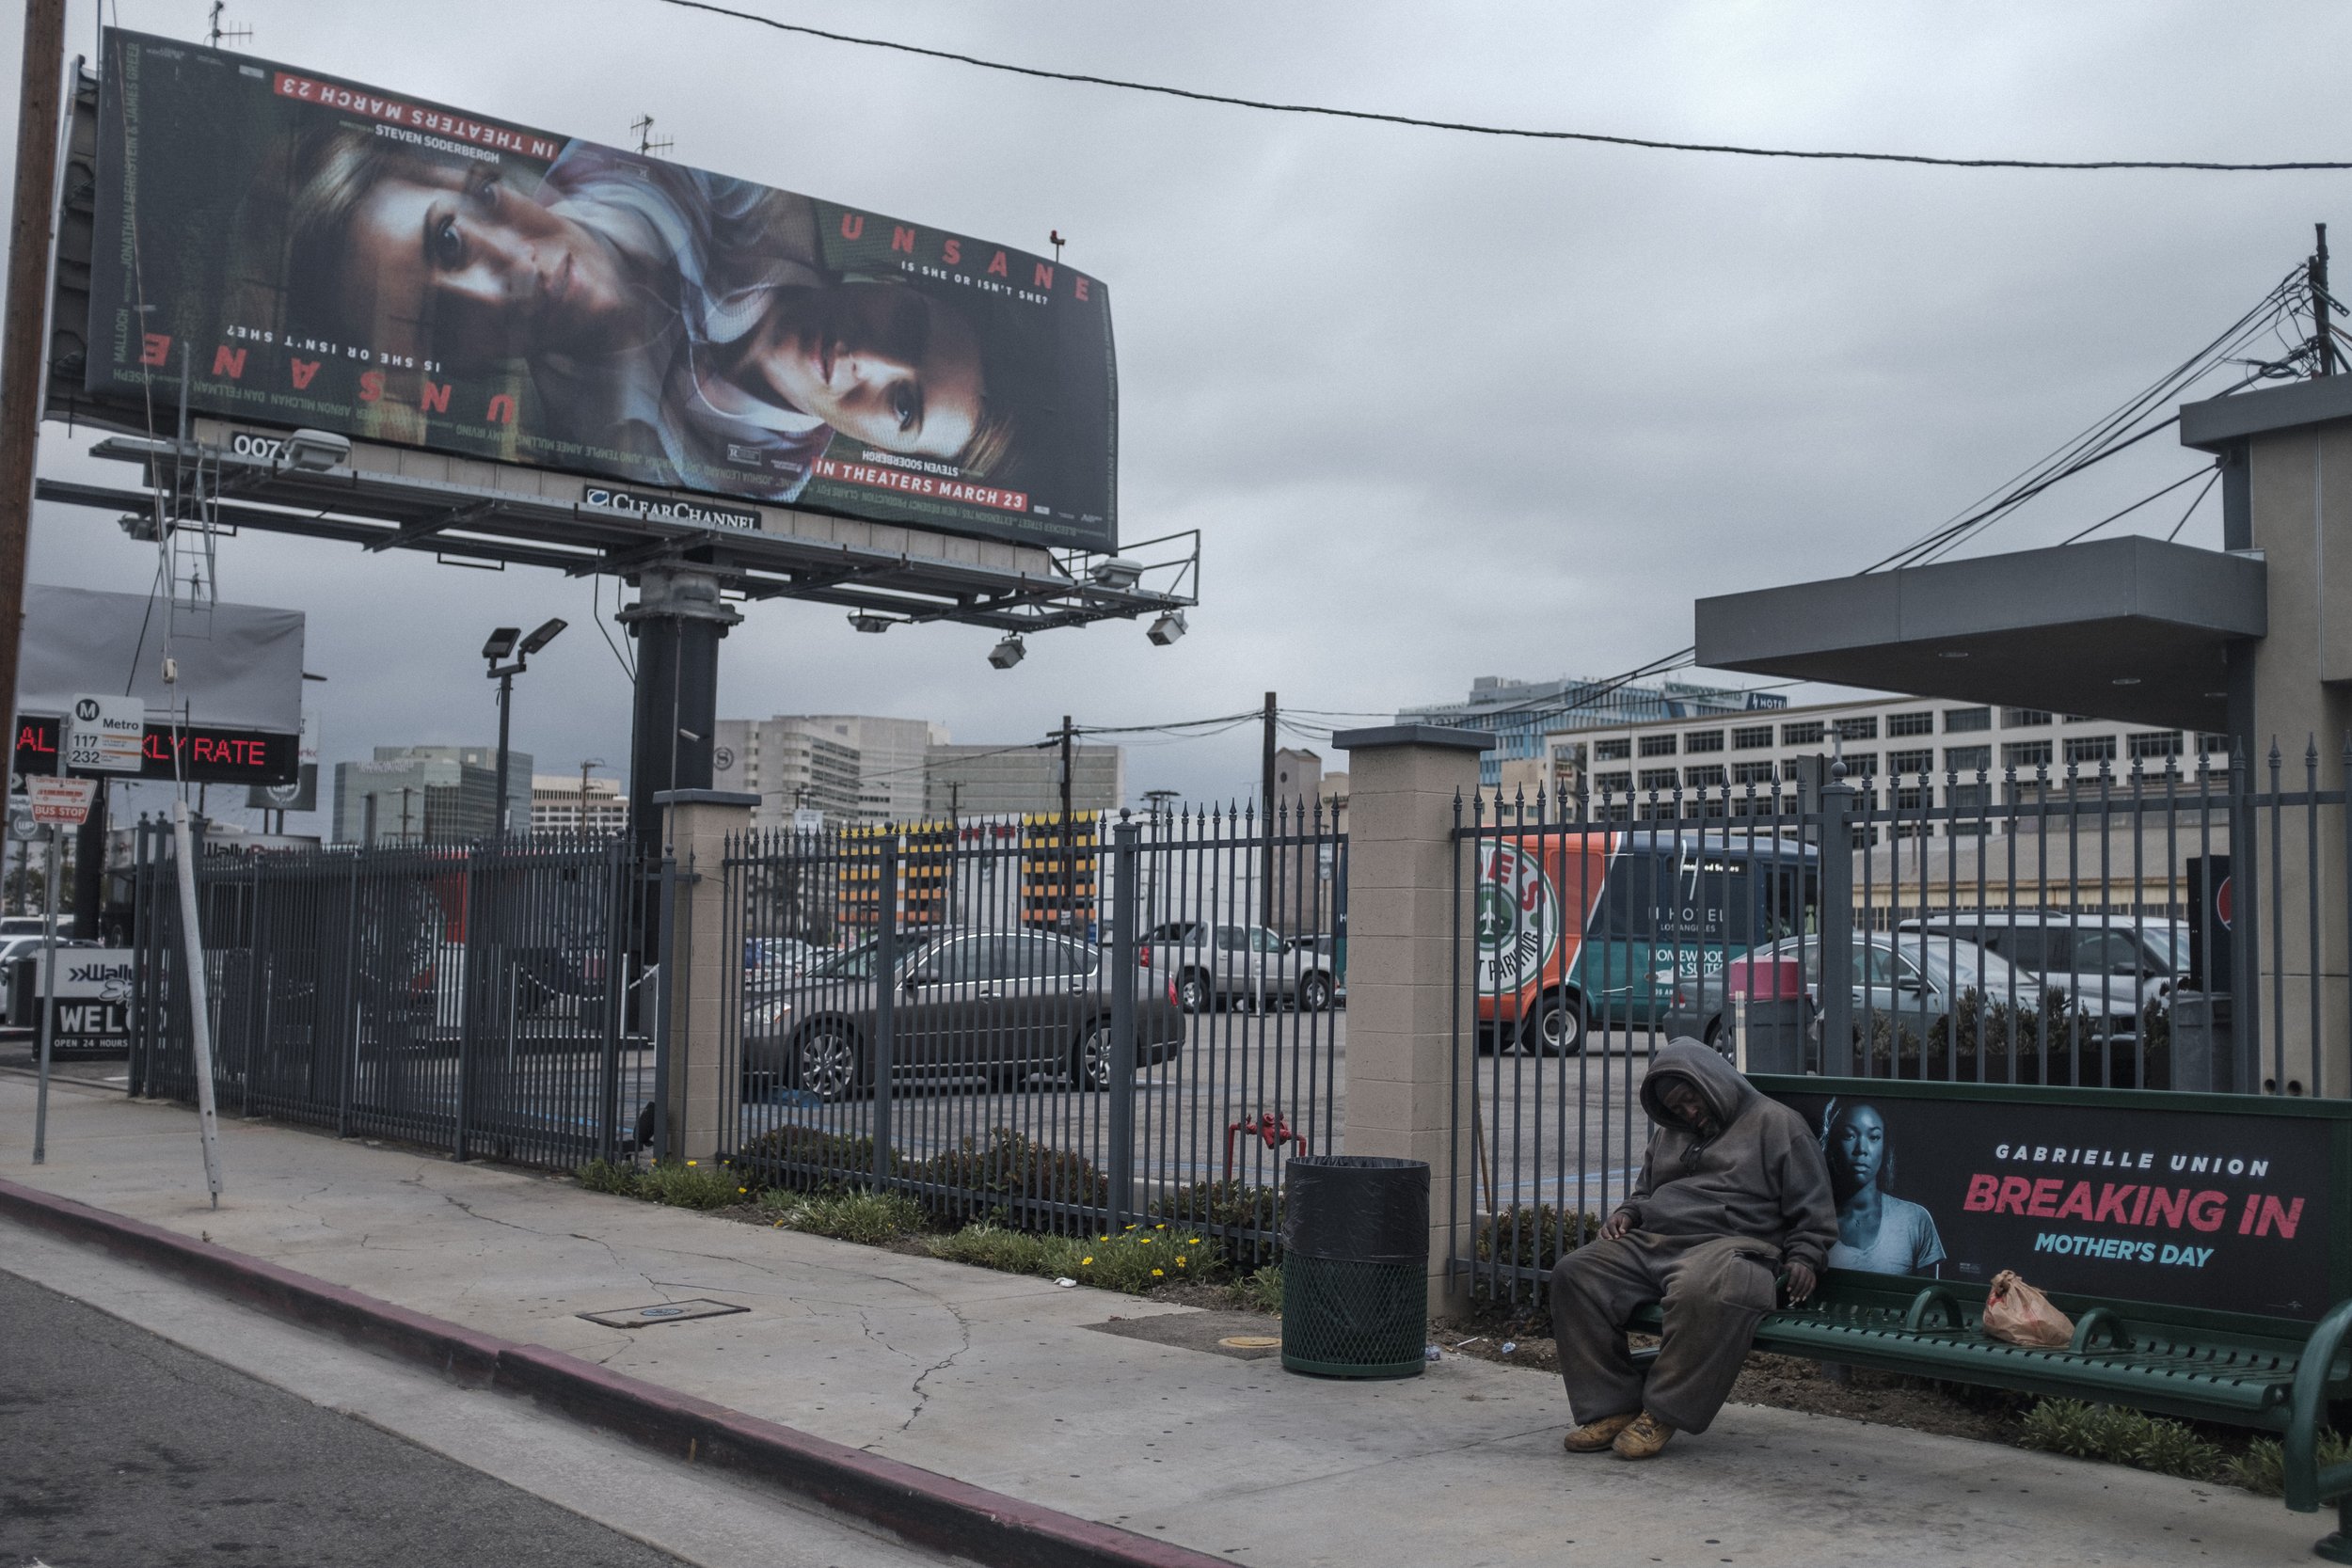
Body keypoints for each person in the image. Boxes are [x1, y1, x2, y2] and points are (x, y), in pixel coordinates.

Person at [1549, 1039, 1836, 1460]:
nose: (1687, 1113)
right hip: (1657, 1239)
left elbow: (1814, 1209)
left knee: (1703, 1288)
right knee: (1576, 1273)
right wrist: (1629, 1213)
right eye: (1677, 1108)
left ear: (1713, 1081)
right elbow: (1646, 1190)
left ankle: (1662, 1411)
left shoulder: (1778, 1125)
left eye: (1690, 1100)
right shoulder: (1671, 1132)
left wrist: (1806, 1255)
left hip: (1732, 1245)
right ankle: (1611, 1407)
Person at [1820, 1100, 1945, 1276]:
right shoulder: (1812, 1218)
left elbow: (1930, 1298)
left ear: (1885, 1145)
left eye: (1873, 1137)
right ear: (1833, 1144)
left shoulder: (1914, 1220)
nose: (1861, 1149)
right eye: (1849, 1135)